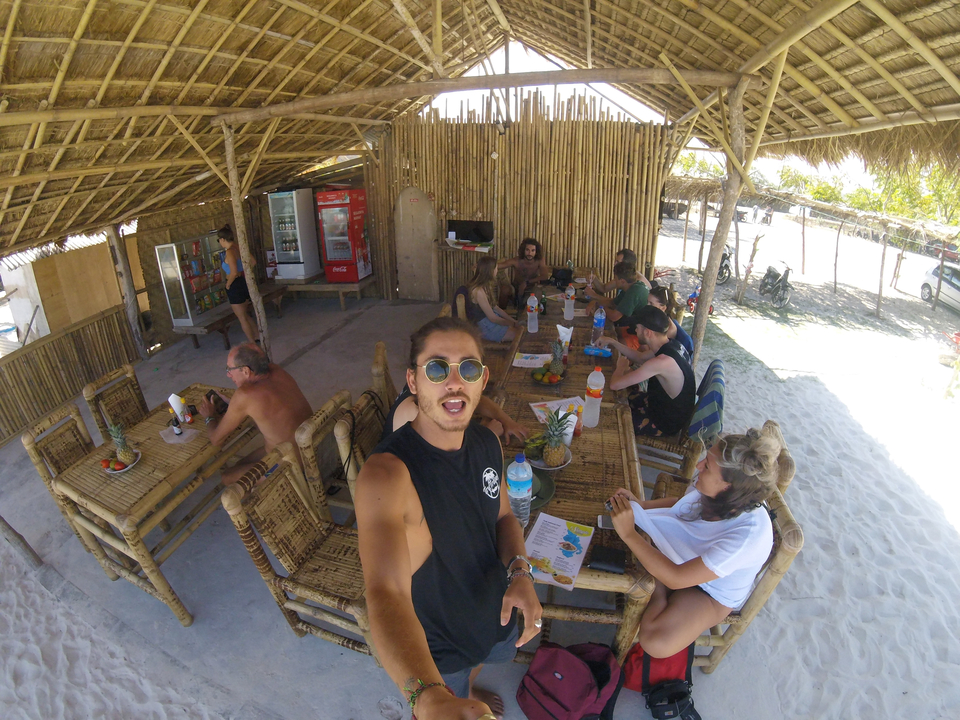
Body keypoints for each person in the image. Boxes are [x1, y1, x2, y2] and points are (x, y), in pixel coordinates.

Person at [355, 317, 542, 720]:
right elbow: (385, 593)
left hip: (495, 612)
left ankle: (470, 686)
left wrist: (521, 571)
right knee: (450, 697)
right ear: (413, 380)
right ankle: (455, 692)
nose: (454, 382)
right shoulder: (387, 474)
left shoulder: (486, 441)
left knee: (481, 669)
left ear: (483, 379)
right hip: (439, 648)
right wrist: (427, 696)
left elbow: (504, 517)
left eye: (468, 369)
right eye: (437, 368)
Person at [606, 425, 781, 658]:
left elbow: (677, 579)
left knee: (656, 642)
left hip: (711, 592)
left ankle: (657, 583)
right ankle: (657, 571)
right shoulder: (720, 491)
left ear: (727, 487)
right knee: (642, 541)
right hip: (687, 557)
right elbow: (681, 503)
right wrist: (640, 505)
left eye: (706, 466)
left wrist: (629, 534)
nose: (699, 466)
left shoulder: (744, 538)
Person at [198, 343, 313, 485]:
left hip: (290, 465)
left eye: (230, 369)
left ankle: (265, 503)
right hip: (312, 448)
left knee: (227, 477)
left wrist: (209, 416)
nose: (228, 374)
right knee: (240, 464)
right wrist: (236, 405)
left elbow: (216, 439)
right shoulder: (277, 371)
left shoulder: (246, 395)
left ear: (246, 371)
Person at [600, 305, 696, 437]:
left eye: (637, 328)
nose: (635, 330)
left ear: (648, 333)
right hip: (659, 404)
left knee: (608, 419)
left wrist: (621, 367)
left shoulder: (662, 362)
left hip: (664, 423)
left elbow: (614, 384)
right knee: (621, 398)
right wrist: (612, 342)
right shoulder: (672, 344)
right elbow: (639, 357)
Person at [218, 224, 259, 345]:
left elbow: (233, 271)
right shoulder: (238, 248)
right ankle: (257, 335)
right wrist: (245, 271)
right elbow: (253, 262)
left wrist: (228, 284)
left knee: (242, 317)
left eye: (219, 240)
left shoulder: (230, 252)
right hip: (243, 282)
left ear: (223, 239)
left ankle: (252, 342)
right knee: (245, 314)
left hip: (235, 284)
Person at [463, 256, 520, 342]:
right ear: (490, 271)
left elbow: (495, 308)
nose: (497, 271)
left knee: (521, 331)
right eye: (496, 268)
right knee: (520, 336)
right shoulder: (478, 291)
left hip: (491, 320)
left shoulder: (485, 285)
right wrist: (513, 324)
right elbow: (492, 318)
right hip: (486, 327)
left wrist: (513, 321)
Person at [497, 238, 551, 308]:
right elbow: (499, 265)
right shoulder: (516, 260)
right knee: (505, 289)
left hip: (532, 288)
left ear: (536, 252)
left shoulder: (539, 260)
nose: (530, 253)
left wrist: (527, 282)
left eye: (533, 250)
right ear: (523, 250)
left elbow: (545, 276)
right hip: (516, 287)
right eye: (527, 250)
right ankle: (501, 313)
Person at [648, 286, 694, 359]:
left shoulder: (669, 329)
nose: (647, 305)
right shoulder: (655, 320)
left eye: (651, 303)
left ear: (663, 308)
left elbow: (648, 355)